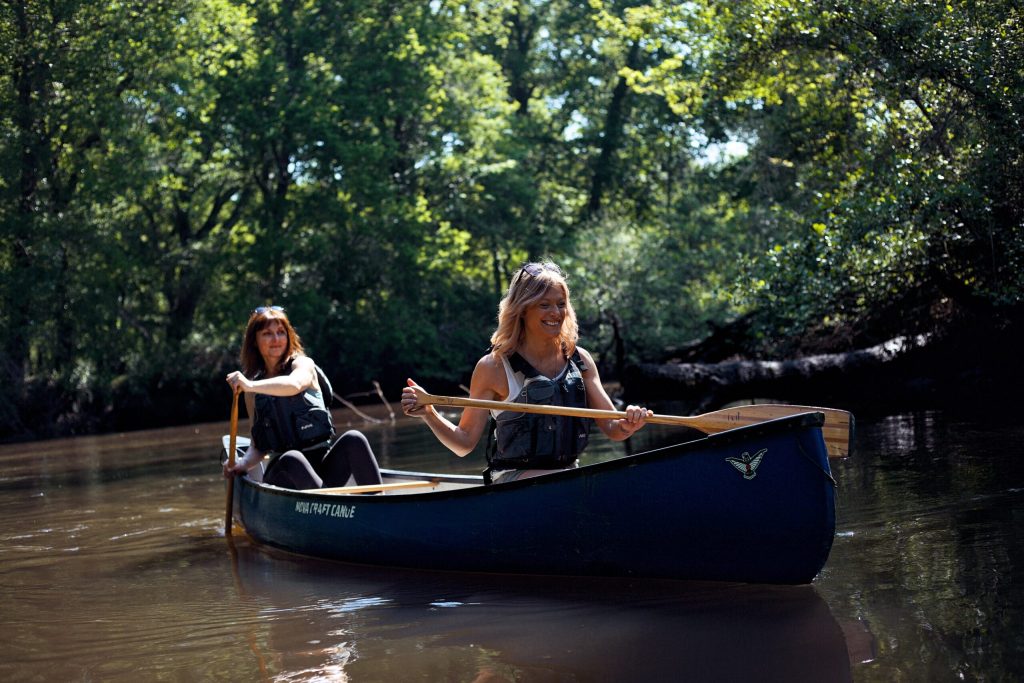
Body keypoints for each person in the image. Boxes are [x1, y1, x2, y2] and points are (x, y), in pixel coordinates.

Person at [401, 261, 650, 484]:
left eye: (561, 304)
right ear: (522, 310)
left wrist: (630, 422)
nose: (556, 313)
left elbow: (614, 428)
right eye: (544, 305)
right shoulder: (493, 367)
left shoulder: (580, 360)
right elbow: (464, 443)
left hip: (567, 478)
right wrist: (429, 413)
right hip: (514, 481)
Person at [223, 305, 382, 490]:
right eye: (267, 333)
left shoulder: (303, 364)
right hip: (284, 472)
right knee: (292, 458)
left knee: (355, 439)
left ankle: (378, 507)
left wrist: (250, 385)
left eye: (281, 332)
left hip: (321, 469)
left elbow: (295, 385)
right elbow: (258, 444)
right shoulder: (252, 389)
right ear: (254, 341)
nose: (276, 339)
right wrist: (242, 464)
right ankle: (328, 508)